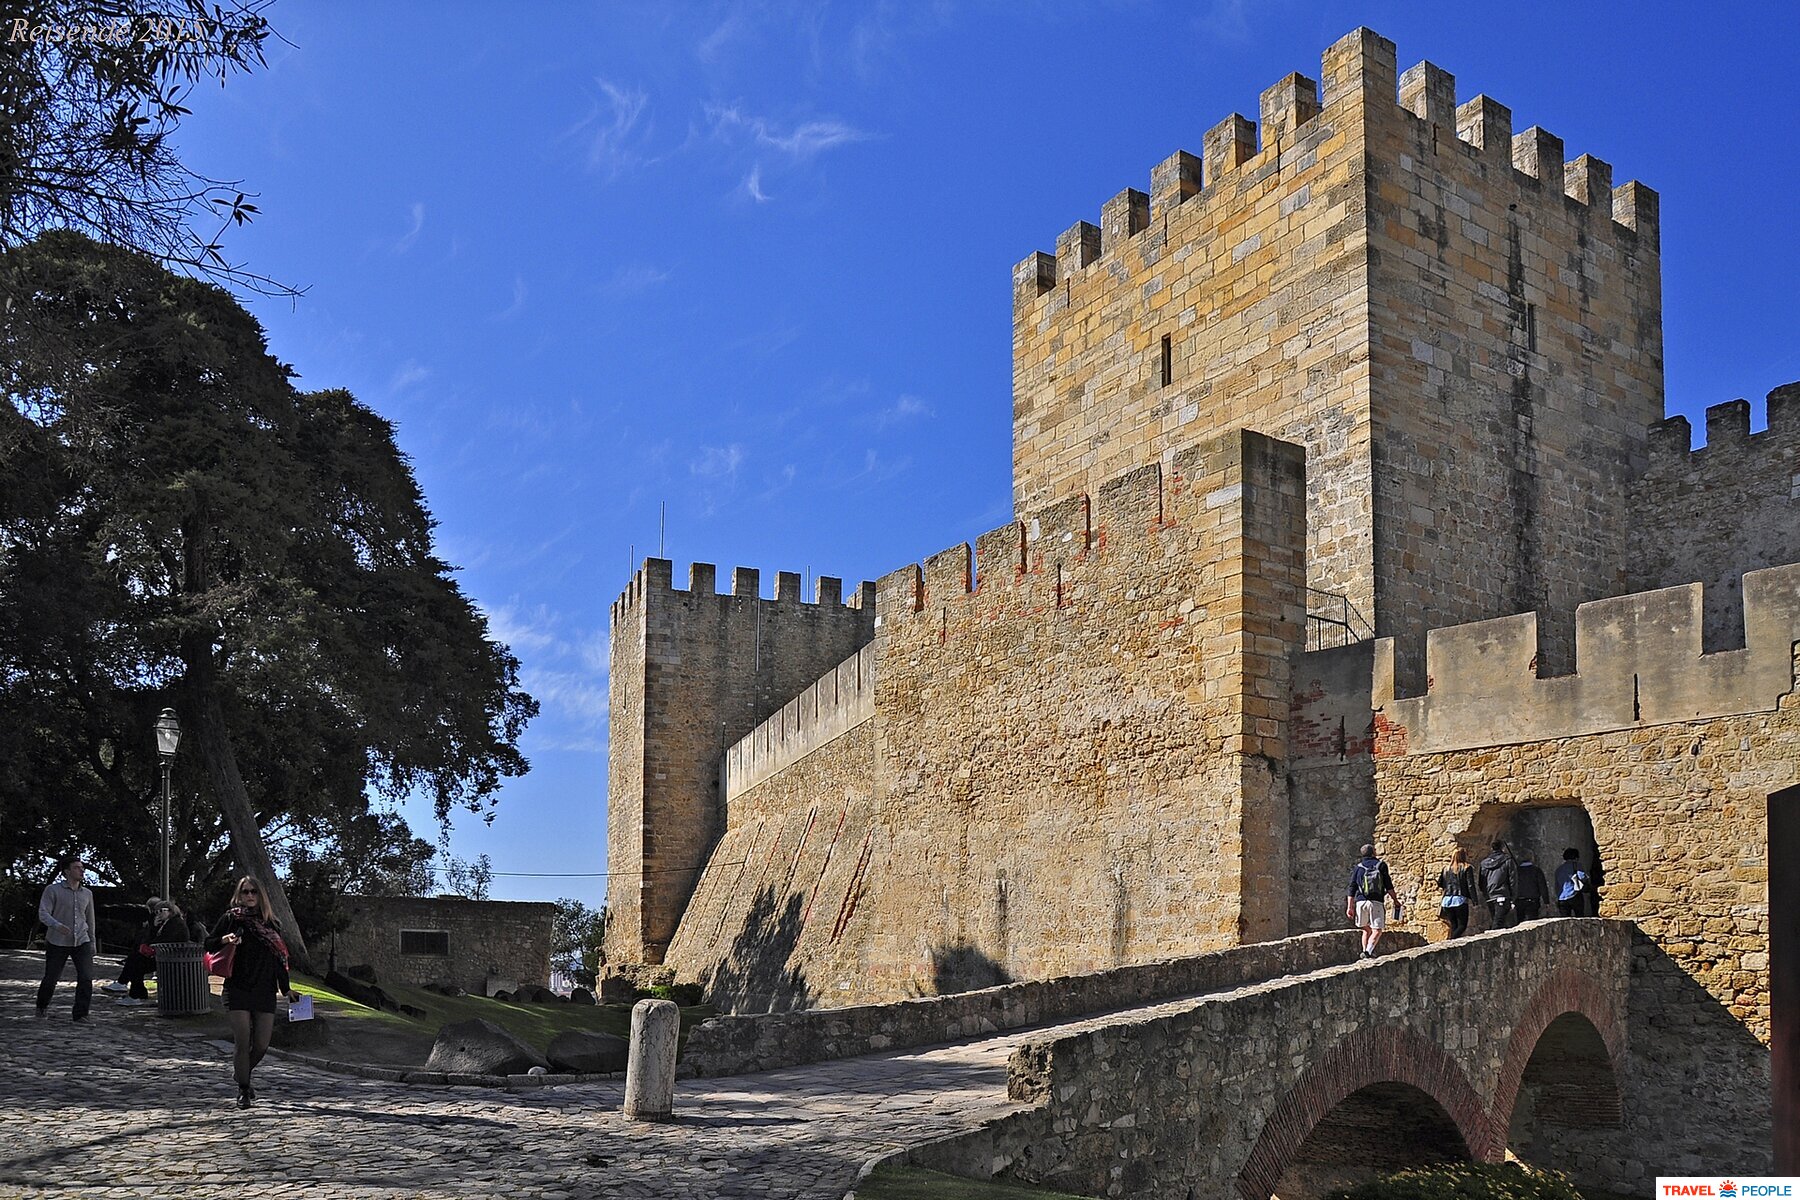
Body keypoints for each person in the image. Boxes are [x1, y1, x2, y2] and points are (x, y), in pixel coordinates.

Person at [207, 876, 297, 1107]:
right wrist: (225, 939)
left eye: (253, 892)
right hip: (237, 987)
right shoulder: (231, 918)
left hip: (264, 988)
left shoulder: (271, 924)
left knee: (261, 1045)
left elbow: (280, 959)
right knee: (242, 1040)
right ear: (239, 894)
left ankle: (241, 1073)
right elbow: (208, 943)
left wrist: (286, 989)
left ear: (261, 895)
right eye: (245, 891)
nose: (249, 896)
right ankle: (244, 1090)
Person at [37, 854, 97, 1022]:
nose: (82, 870)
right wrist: (57, 925)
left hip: (82, 940)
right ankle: (42, 1005)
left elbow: (90, 919)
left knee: (86, 977)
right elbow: (43, 913)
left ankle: (81, 1014)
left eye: (82, 867)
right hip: (57, 941)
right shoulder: (52, 890)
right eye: (77, 867)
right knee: (51, 978)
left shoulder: (87, 893)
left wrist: (92, 941)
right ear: (66, 871)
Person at [104, 899, 190, 1005]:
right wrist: (153, 927)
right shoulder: (164, 923)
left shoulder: (175, 924)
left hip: (171, 958)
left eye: (162, 911)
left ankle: (133, 992)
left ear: (170, 911)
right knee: (134, 959)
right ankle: (134, 991)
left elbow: (161, 941)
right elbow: (149, 939)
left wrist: (150, 939)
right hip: (164, 956)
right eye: (156, 912)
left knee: (135, 962)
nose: (159, 914)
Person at [1346, 843, 1401, 959]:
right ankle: (1368, 952)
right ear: (1373, 852)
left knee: (1366, 929)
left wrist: (1350, 907)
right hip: (1375, 902)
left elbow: (1352, 888)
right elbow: (1388, 885)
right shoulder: (1381, 865)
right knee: (1377, 930)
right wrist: (1395, 900)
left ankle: (1365, 952)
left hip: (1360, 902)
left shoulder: (1358, 867)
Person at [1475, 838, 1520, 930]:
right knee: (1498, 923)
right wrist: (1513, 897)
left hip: (1490, 896)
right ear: (1503, 848)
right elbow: (1513, 879)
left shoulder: (1484, 863)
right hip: (1502, 894)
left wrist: (1485, 893)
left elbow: (1481, 881)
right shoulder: (1507, 860)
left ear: (1491, 848)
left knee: (1497, 920)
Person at [1436, 847, 1475, 938]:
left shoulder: (1446, 869)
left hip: (1447, 900)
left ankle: (1452, 943)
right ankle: (1450, 941)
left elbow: (1440, 883)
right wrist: (1474, 899)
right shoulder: (1467, 867)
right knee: (1462, 926)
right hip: (1460, 899)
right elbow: (1470, 885)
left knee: (1454, 926)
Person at [1514, 848, 1552, 922]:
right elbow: (1542, 887)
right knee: (1532, 922)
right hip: (1532, 901)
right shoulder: (1536, 871)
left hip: (1519, 901)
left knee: (1520, 922)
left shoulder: (1516, 871)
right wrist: (1546, 902)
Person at [1555, 847, 1592, 918]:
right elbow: (1582, 877)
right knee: (1580, 917)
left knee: (1564, 920)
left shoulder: (1559, 869)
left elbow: (1557, 885)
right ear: (1576, 857)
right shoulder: (1576, 865)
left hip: (1562, 898)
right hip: (1574, 895)